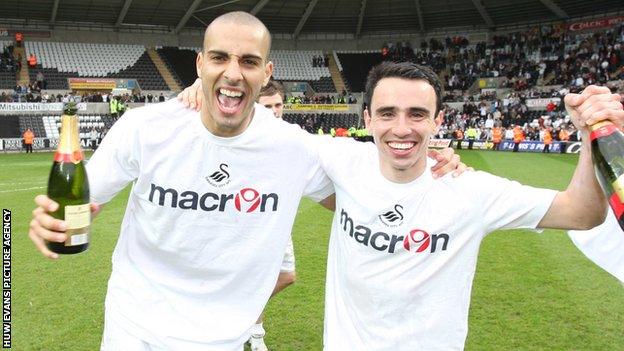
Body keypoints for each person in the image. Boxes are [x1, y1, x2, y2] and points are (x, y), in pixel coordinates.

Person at [28, 13, 463, 351]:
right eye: (219, 58)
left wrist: (435, 165)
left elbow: (366, 191)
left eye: (249, 62)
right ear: (200, 64)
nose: (234, 73)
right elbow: (80, 201)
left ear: (266, 71)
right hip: (135, 331)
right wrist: (54, 221)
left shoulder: (294, 148)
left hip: (224, 340)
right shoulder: (145, 128)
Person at [315, 62, 620, 350]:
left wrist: (586, 131)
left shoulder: (470, 191)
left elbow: (581, 213)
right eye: (387, 113)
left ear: (438, 121)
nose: (402, 128)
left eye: (417, 114)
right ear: (368, 118)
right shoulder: (343, 164)